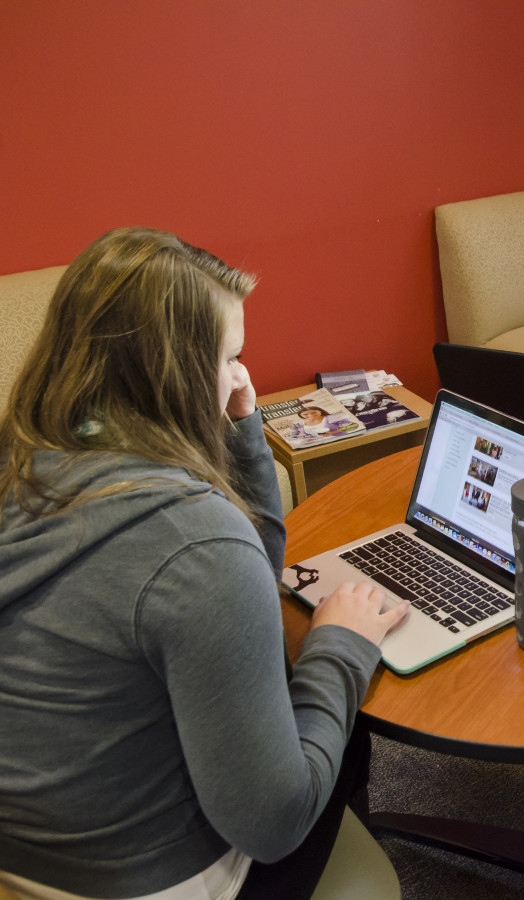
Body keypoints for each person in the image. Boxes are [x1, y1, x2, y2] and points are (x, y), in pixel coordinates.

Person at [0, 228, 409, 899]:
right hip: (145, 879)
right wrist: (340, 645)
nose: (241, 377)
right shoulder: (195, 544)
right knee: (345, 733)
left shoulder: (24, 454)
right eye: (230, 359)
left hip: (26, 854)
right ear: (173, 376)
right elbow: (273, 822)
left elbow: (249, 565)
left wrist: (240, 423)